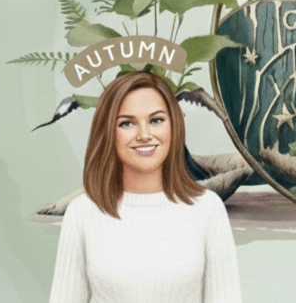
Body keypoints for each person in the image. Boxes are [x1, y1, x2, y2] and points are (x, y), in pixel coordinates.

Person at [50, 71, 242, 302]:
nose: (144, 134)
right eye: (127, 123)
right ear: (107, 131)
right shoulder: (81, 213)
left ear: (174, 126)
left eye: (156, 120)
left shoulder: (208, 208)